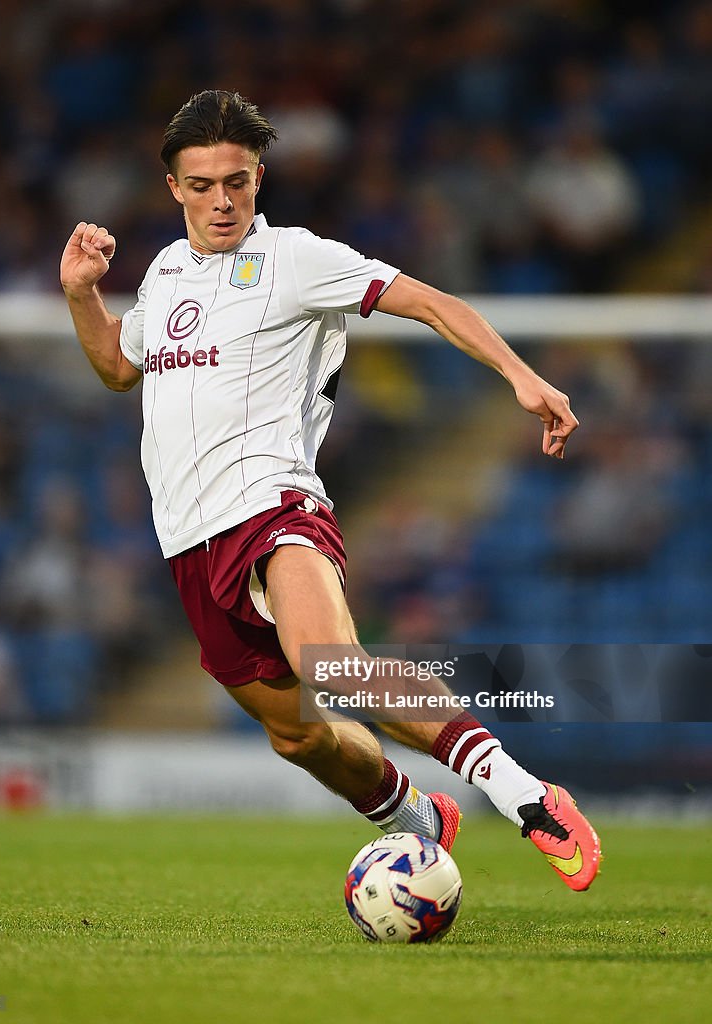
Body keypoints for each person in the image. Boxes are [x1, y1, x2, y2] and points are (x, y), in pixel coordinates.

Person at [60, 90, 600, 891]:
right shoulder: (166, 274)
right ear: (172, 186)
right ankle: (412, 815)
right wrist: (79, 293)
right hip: (186, 540)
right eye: (202, 185)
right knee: (299, 738)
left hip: (277, 507)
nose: (221, 201)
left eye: (237, 182)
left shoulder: (296, 260)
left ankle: (527, 798)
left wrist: (520, 376)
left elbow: (429, 302)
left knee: (334, 670)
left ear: (258, 178)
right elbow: (114, 368)